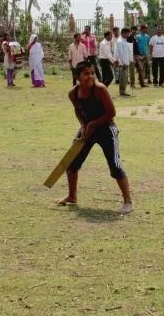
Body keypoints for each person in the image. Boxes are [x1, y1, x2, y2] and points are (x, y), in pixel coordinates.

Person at [58, 61, 133, 215]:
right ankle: (72, 196)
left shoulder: (100, 89)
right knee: (71, 163)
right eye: (86, 73)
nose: (90, 76)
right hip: (87, 130)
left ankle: (128, 202)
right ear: (77, 76)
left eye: (92, 73)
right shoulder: (73, 93)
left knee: (115, 165)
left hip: (106, 129)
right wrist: (84, 126)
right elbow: (78, 111)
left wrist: (93, 124)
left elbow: (111, 113)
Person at [114, 28, 132, 97]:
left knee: (125, 78)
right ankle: (122, 92)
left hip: (126, 62)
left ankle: (123, 91)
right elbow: (120, 53)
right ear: (124, 33)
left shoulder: (125, 40)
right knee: (122, 78)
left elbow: (126, 52)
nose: (129, 34)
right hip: (122, 63)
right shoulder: (120, 41)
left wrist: (129, 60)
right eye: (128, 33)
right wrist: (124, 63)